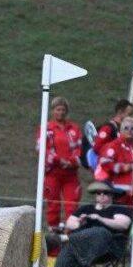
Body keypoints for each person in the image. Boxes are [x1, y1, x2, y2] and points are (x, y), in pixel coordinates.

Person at [47, 182, 132, 267]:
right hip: (82, 247)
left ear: (112, 195)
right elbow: (70, 223)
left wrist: (100, 218)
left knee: (100, 231)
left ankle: (65, 238)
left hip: (108, 248)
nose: (101, 195)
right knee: (70, 247)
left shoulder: (120, 208)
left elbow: (123, 225)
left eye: (105, 193)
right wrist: (79, 222)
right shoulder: (86, 208)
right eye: (98, 193)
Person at [38, 96, 82, 230]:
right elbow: (42, 149)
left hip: (71, 173)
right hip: (53, 173)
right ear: (52, 111)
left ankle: (72, 234)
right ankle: (53, 236)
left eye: (63, 110)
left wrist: (72, 161)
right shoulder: (46, 128)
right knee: (53, 205)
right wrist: (59, 160)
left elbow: (80, 148)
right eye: (58, 109)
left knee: (72, 204)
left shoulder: (74, 128)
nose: (61, 113)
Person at [97, 116, 133, 207]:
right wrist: (123, 167)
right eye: (126, 128)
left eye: (132, 129)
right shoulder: (114, 145)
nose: (129, 130)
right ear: (121, 130)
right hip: (118, 190)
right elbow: (105, 163)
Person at [86, 99, 133, 172]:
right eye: (129, 114)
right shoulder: (108, 128)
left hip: (119, 169)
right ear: (120, 112)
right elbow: (97, 147)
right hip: (108, 170)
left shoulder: (123, 130)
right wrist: (110, 154)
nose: (130, 118)